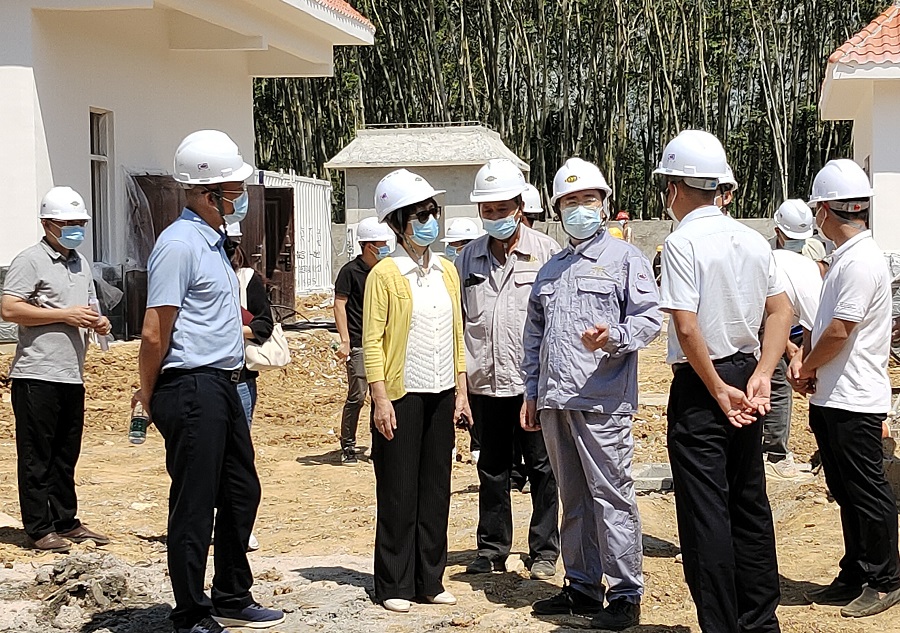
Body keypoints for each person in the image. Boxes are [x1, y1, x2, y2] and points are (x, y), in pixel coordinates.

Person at [134, 130, 283, 633]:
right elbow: (155, 331)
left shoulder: (213, 244)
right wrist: (148, 392)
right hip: (191, 385)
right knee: (195, 503)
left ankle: (232, 596)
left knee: (241, 490)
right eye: (234, 190)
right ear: (206, 192)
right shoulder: (179, 245)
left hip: (221, 384)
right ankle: (190, 612)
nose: (241, 198)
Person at [657, 130, 792, 633]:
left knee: (705, 512)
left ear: (674, 187)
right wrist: (763, 374)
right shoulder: (752, 239)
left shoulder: (682, 243)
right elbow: (781, 311)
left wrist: (716, 389)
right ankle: (760, 619)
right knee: (748, 500)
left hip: (703, 384)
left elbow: (687, 326)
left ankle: (720, 623)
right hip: (746, 374)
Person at [524, 158, 662, 631]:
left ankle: (625, 593)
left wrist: (615, 336)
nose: (580, 208)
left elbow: (650, 318)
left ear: (604, 205)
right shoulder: (551, 269)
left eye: (588, 199)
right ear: (558, 210)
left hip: (602, 400)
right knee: (573, 497)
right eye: (570, 202)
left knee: (611, 497)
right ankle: (581, 585)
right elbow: (534, 336)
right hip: (555, 401)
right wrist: (531, 391)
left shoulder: (625, 259)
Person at [790, 159, 900, 618]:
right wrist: (809, 364)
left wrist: (805, 365)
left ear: (824, 210)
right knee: (846, 489)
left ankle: (885, 578)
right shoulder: (846, 258)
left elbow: (839, 331)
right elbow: (824, 326)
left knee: (866, 491)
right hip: (835, 394)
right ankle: (855, 571)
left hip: (854, 398)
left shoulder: (859, 262)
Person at [363, 168, 472, 614]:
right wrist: (380, 397)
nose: (430, 222)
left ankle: (430, 578)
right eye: (420, 215)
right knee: (398, 489)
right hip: (401, 394)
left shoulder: (447, 270)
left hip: (442, 392)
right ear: (397, 223)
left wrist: (461, 391)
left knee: (435, 489)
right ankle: (394, 582)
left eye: (433, 212)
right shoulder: (385, 274)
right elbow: (372, 341)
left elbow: (457, 333)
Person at [458, 159, 561, 581]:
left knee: (542, 468)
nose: (496, 216)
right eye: (488, 210)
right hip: (486, 384)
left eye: (503, 208)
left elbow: (556, 323)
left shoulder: (546, 253)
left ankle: (544, 551)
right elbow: (461, 323)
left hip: (532, 385)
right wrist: (462, 391)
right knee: (492, 469)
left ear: (519, 206)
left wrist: (545, 386)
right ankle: (492, 550)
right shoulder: (468, 258)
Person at [1, 186, 111, 554]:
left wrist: (99, 322)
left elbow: (88, 306)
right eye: (69, 223)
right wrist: (63, 315)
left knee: (65, 453)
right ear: (47, 223)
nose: (76, 229)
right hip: (37, 374)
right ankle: (38, 527)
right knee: (37, 456)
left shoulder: (81, 263)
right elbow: (10, 309)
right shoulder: (30, 260)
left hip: (70, 373)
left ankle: (66, 520)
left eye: (81, 223)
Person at [762, 200, 822, 480]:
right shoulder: (776, 259)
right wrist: (790, 348)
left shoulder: (804, 257)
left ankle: (768, 451)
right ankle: (774, 454)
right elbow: (813, 320)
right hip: (773, 332)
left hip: (788, 330)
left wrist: (798, 350)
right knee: (777, 387)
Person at [225, 222, 273, 552]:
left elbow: (263, 325)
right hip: (200, 379)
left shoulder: (246, 280)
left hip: (239, 380)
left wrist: (228, 329)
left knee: (238, 455)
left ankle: (238, 523)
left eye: (230, 245)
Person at [333, 216, 393, 465]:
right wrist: (345, 340)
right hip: (359, 342)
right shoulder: (350, 272)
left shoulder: (386, 270)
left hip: (382, 343)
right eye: (382, 244)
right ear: (369, 246)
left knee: (381, 395)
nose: (387, 248)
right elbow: (340, 305)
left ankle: (378, 444)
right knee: (357, 396)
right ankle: (348, 445)